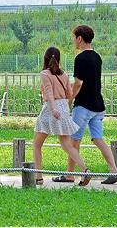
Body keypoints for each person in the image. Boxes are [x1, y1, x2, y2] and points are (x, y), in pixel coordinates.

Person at [52, 25, 117, 185]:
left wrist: (69, 99)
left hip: (83, 106)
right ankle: (114, 170)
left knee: (73, 141)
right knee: (98, 138)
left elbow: (78, 83)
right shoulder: (97, 57)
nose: (73, 40)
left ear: (79, 38)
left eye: (74, 37)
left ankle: (71, 174)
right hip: (98, 105)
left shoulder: (80, 58)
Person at [33, 46, 92, 186]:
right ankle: (85, 170)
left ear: (45, 59)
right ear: (59, 59)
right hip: (64, 107)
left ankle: (38, 176)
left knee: (36, 144)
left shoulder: (45, 73)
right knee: (67, 145)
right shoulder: (64, 74)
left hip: (50, 109)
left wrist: (53, 108)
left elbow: (48, 93)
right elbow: (70, 94)